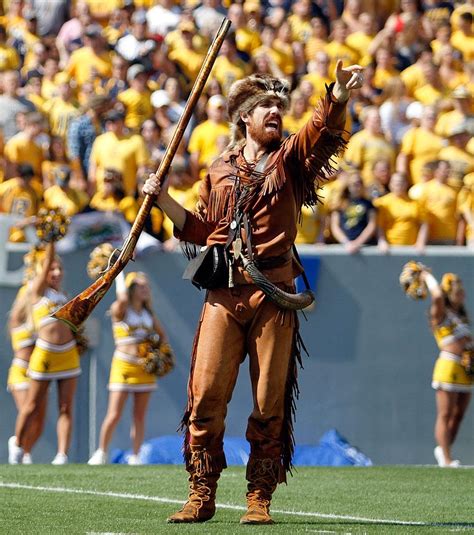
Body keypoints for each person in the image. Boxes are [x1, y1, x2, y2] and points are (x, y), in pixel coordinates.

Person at [143, 61, 364, 524]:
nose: (275, 112)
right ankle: (201, 492)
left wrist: (337, 97)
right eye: (264, 105)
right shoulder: (219, 168)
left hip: (274, 296)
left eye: (278, 107)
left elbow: (322, 131)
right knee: (204, 396)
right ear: (244, 116)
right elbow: (203, 229)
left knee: (269, 400)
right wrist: (162, 200)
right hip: (224, 293)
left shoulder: (291, 159)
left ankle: (258, 497)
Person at [8, 239, 82, 465]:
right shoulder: (37, 292)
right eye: (52, 269)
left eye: (59, 269)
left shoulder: (63, 295)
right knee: (32, 407)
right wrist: (51, 240)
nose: (57, 272)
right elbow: (48, 259)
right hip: (45, 354)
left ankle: (62, 455)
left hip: (68, 354)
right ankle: (18, 446)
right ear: (42, 272)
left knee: (66, 406)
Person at [88, 271, 169, 465]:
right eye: (140, 286)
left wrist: (159, 353)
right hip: (123, 364)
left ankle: (135, 454)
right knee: (114, 413)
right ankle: (101, 452)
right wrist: (119, 272)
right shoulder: (122, 310)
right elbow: (122, 298)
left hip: (144, 369)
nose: (145, 289)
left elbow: (163, 336)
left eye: (147, 286)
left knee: (139, 415)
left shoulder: (148, 313)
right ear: (131, 289)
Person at [419, 268, 472, 466]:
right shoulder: (439, 312)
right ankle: (447, 459)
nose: (463, 295)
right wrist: (426, 276)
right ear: (449, 294)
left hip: (466, 367)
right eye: (458, 292)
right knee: (445, 413)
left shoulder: (461, 316)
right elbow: (438, 295)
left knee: (458, 415)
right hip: (449, 364)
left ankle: (443, 450)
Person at [6, 255, 45, 464]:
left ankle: (26, 452)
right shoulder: (17, 322)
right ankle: (18, 446)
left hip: (39, 371)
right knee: (28, 410)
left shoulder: (40, 316)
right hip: (21, 370)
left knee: (39, 420)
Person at [330, 173, 377, 254]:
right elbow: (335, 226)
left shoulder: (369, 204)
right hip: (343, 246)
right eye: (354, 183)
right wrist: (346, 243)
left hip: (364, 247)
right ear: (348, 185)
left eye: (360, 183)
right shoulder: (340, 203)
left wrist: (357, 243)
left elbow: (371, 225)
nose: (357, 186)